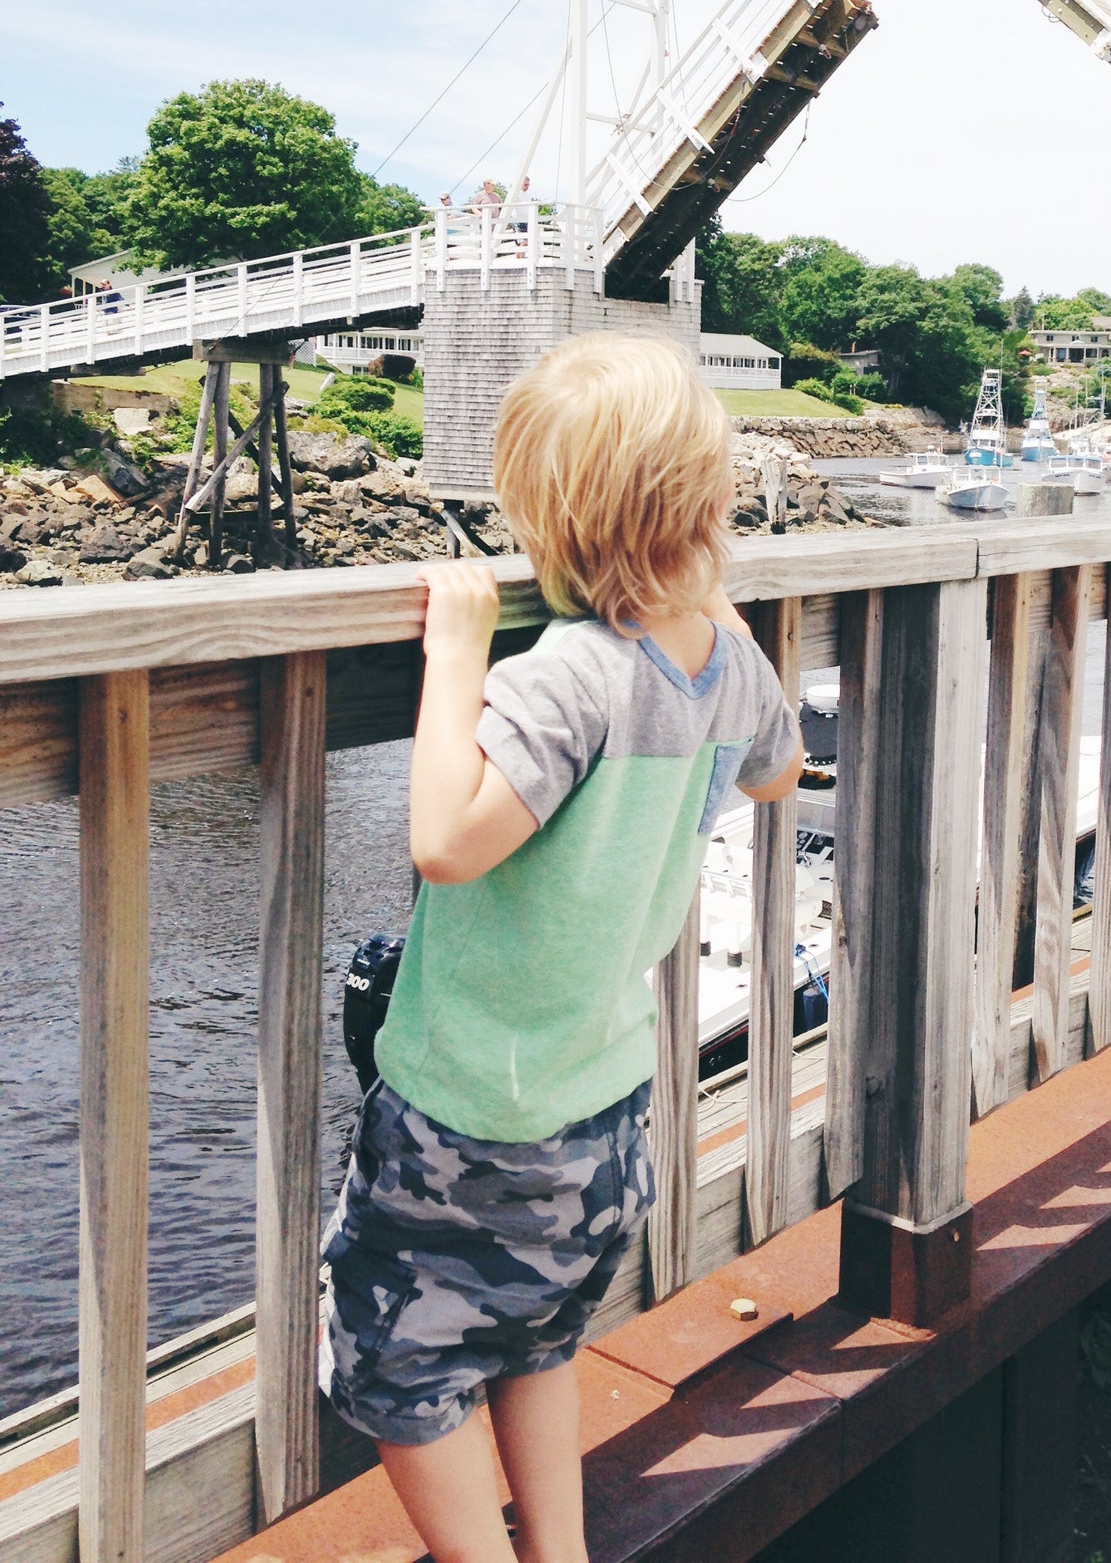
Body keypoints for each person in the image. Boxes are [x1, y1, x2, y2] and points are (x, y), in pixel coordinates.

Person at [319, 333, 804, 1563]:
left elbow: (447, 837)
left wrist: (454, 653)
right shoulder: (722, 663)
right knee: (533, 1337)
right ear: (703, 499)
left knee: (400, 1361)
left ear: (547, 516)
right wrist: (719, 613)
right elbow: (782, 767)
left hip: (471, 1111)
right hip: (602, 1105)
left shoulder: (571, 674)